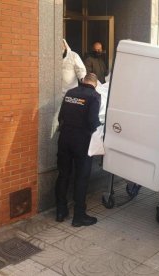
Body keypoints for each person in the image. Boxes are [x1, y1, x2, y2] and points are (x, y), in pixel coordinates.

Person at [55, 73, 101, 227]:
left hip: (64, 139)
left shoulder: (70, 93)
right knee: (81, 178)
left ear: (83, 81)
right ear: (95, 84)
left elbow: (60, 117)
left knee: (63, 175)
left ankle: (61, 212)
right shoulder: (94, 96)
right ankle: (79, 216)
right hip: (81, 142)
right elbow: (92, 121)